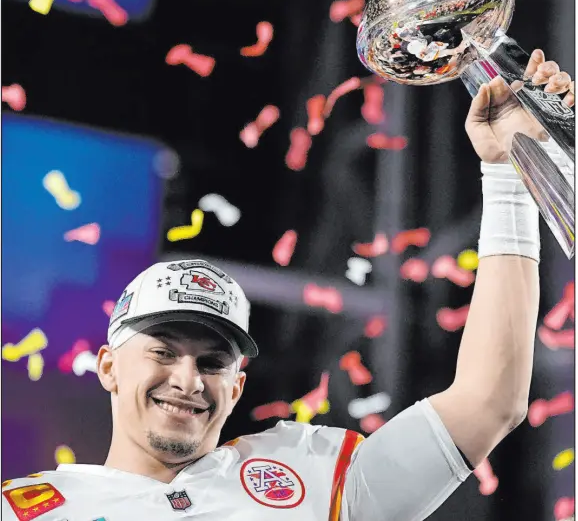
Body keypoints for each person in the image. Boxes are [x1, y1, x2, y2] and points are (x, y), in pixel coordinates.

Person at [2, 51, 574, 521]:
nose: (187, 380)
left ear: (237, 386)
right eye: (163, 351)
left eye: (211, 363)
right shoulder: (28, 510)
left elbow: (489, 401)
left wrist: (506, 174)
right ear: (108, 366)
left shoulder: (308, 474)